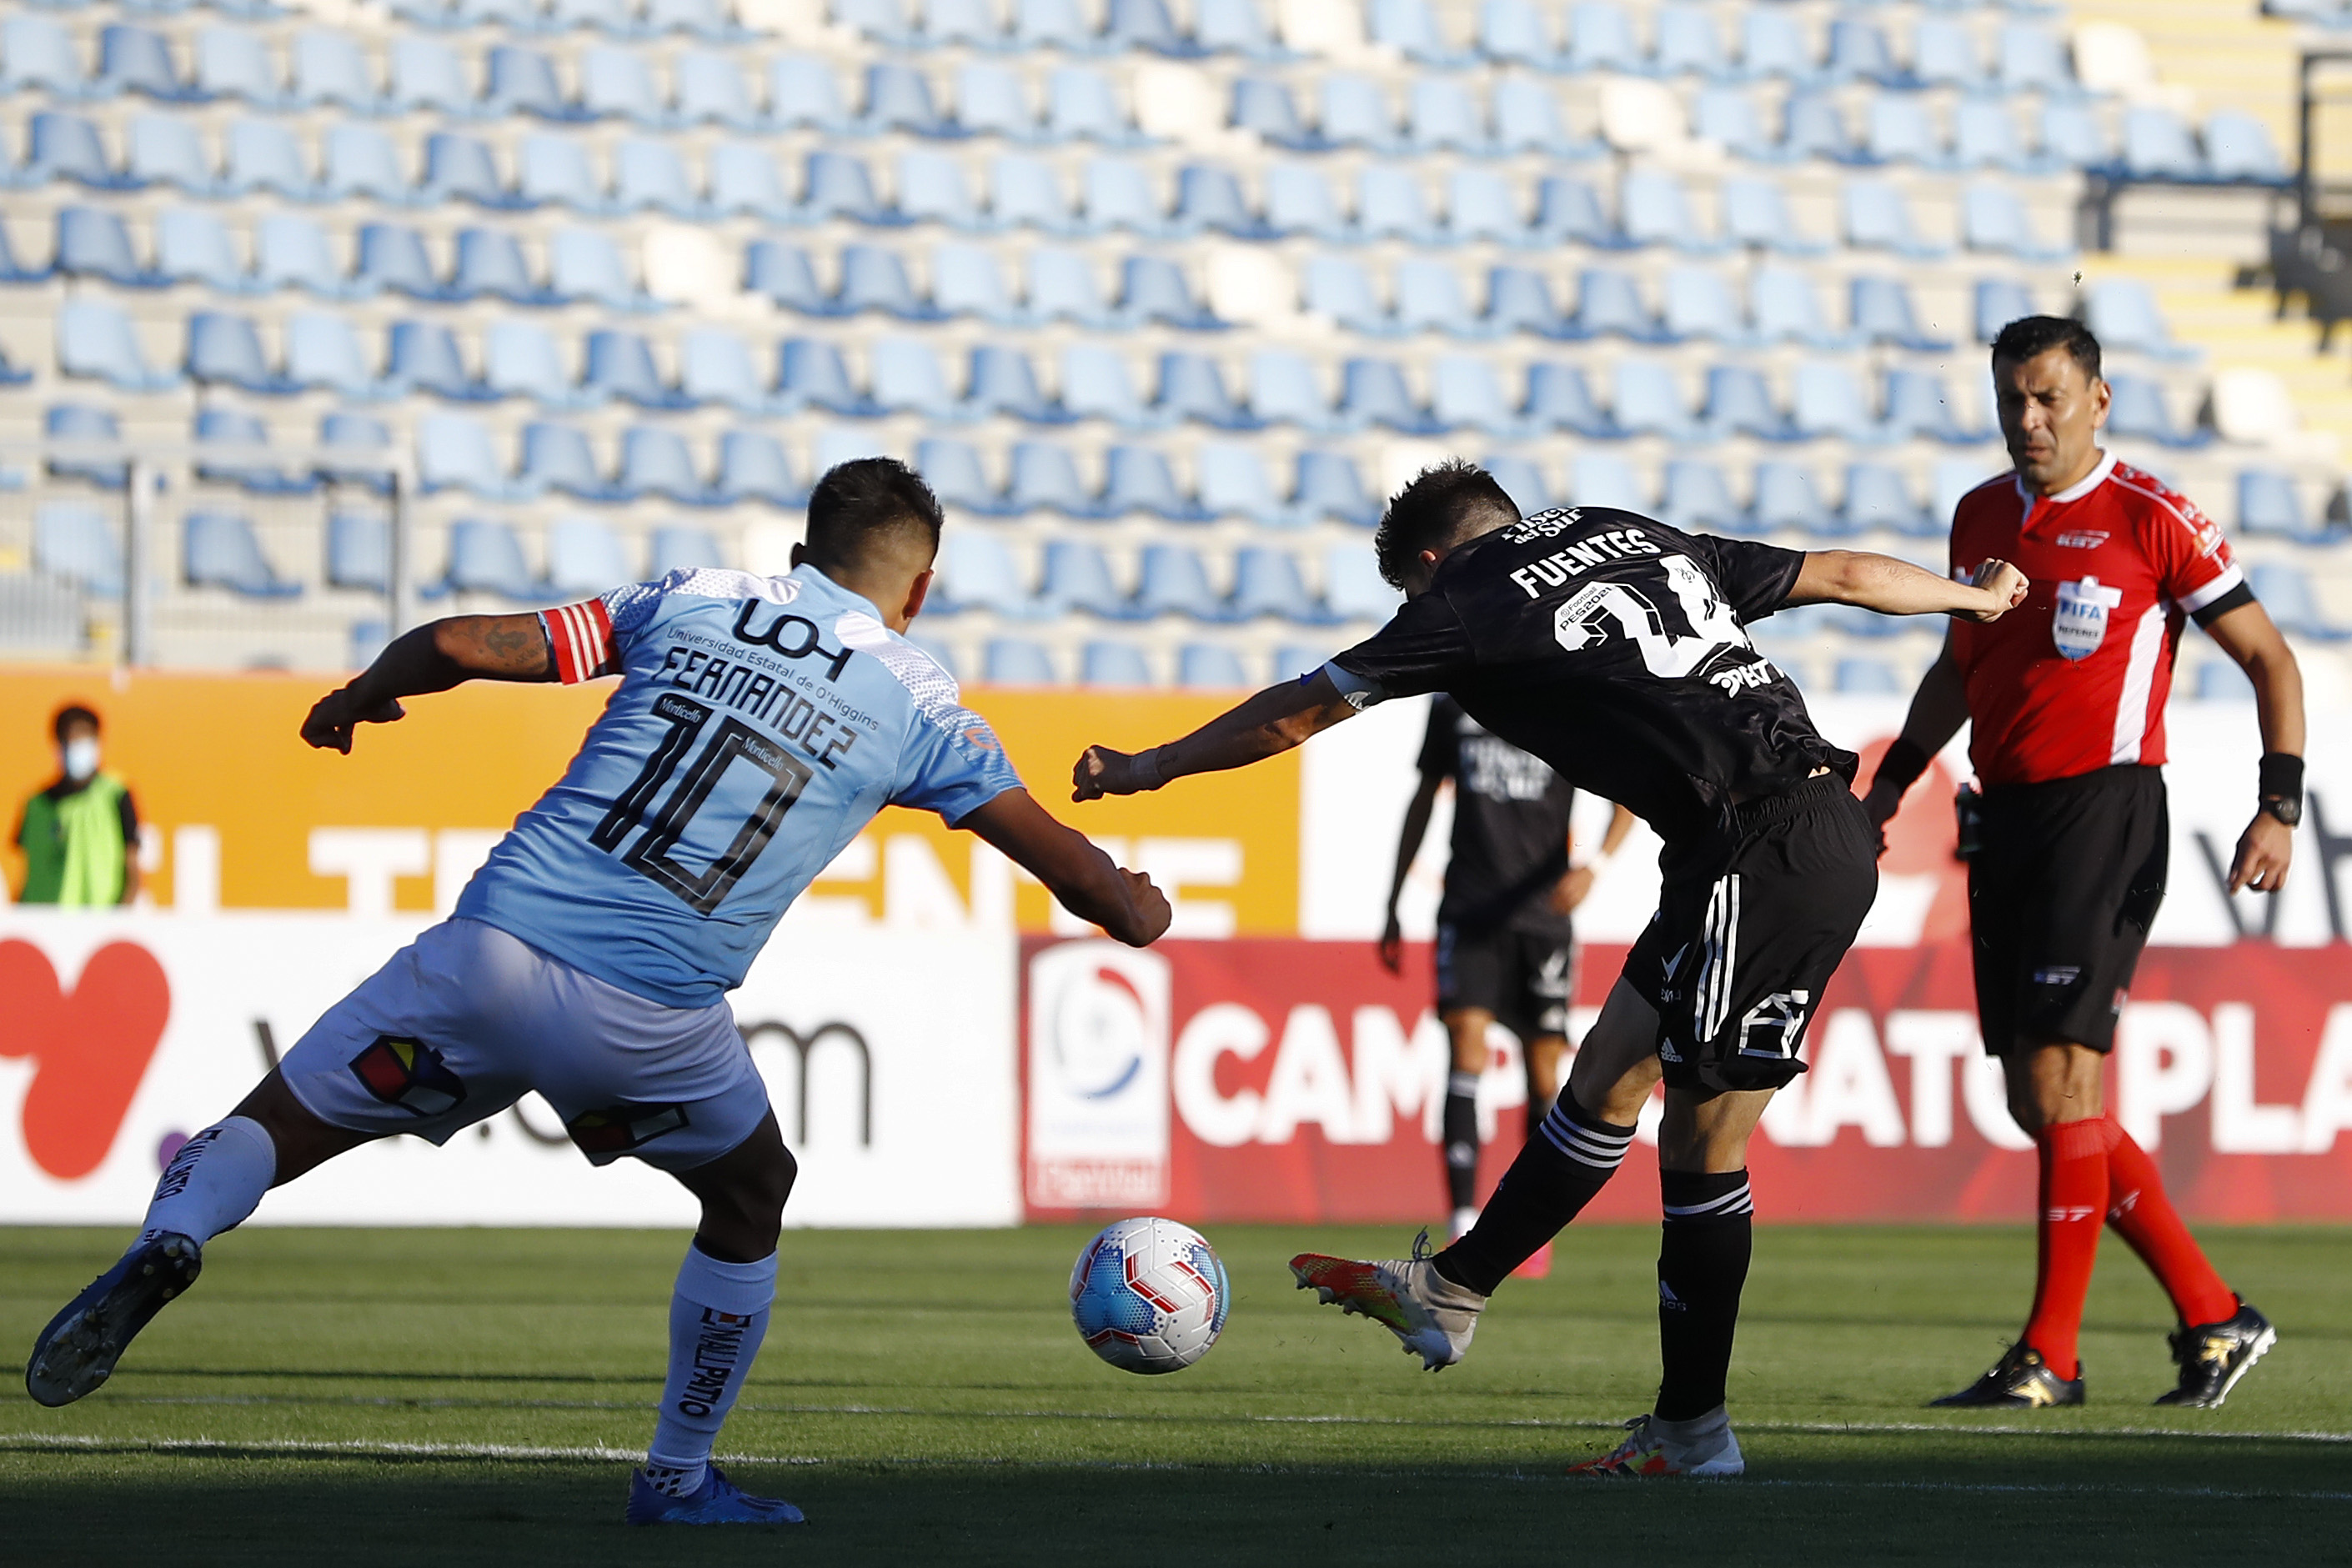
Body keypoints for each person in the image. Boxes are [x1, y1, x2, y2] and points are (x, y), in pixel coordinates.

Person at [24, 459, 1171, 1525]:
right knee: (751, 1190)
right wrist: (1136, 903)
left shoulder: (692, 596)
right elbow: (1079, 879)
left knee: (276, 1123)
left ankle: (171, 1236)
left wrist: (364, 695)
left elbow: (463, 641)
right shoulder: (923, 702)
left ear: (798, 549)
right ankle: (676, 1475)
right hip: (650, 1025)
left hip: (489, 954)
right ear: (918, 588)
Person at [1074, 460, 2026, 1477]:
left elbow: (1299, 710)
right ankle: (1452, 1290)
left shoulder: (1471, 599)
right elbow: (1837, 572)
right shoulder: (1631, 532)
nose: (1418, 613)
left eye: (1413, 595)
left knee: (1703, 1147)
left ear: (1432, 564)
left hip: (1765, 846)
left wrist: (1150, 767)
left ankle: (1693, 1433)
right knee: (1609, 1070)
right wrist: (1974, 594)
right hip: (1754, 840)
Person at [1860, 317, 2299, 1411]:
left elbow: (2269, 657)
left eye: (2049, 398)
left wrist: (2276, 804)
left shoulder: (2151, 516)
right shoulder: (1976, 517)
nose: (2028, 420)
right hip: (2000, 820)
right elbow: (1960, 666)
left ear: (2097, 400)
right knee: (2038, 1101)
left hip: (2103, 814)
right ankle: (2211, 1311)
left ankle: (2050, 1355)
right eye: (2012, 398)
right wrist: (1890, 782)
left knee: (2063, 1082)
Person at [1377, 695, 1633, 1270]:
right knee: (1465, 1046)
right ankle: (1462, 1219)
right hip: (1468, 911)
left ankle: (1527, 1225)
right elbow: (1423, 797)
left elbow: (1626, 796)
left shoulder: (1567, 703)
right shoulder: (1454, 702)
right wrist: (1393, 899)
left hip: (1542, 919)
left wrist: (1595, 866)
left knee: (1543, 1069)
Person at [13, 704, 140, 906]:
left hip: (98, 922)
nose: (77, 745)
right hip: (45, 924)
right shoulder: (35, 804)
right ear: (58, 744)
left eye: (85, 738)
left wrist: (119, 920)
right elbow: (26, 874)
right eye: (71, 739)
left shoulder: (116, 794)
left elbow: (133, 869)